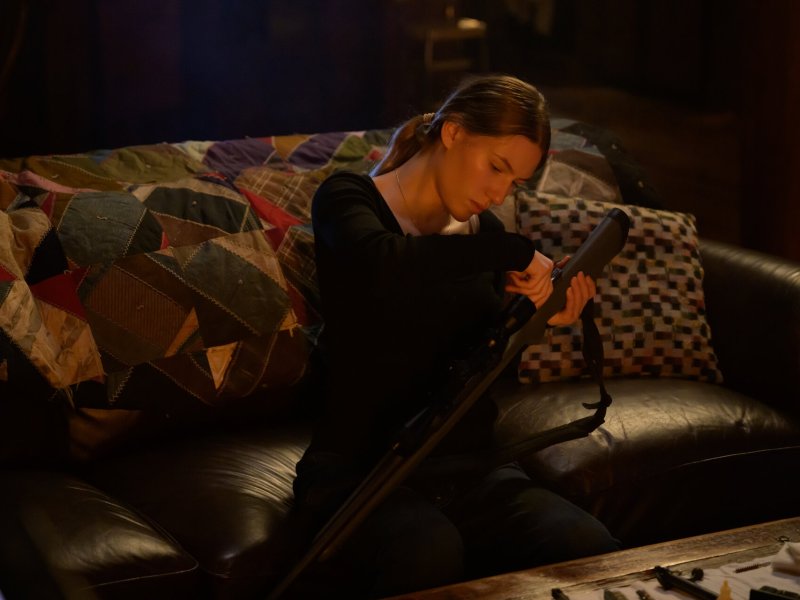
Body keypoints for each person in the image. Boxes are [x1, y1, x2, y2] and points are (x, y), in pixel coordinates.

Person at [290, 75, 619, 598]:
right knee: (428, 552)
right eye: (497, 167)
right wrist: (514, 251)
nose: (498, 193)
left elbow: (478, 370)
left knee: (586, 546)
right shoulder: (349, 199)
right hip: (360, 471)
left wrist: (534, 322)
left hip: (466, 468)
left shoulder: (484, 236)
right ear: (454, 133)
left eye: (514, 183)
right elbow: (381, 263)